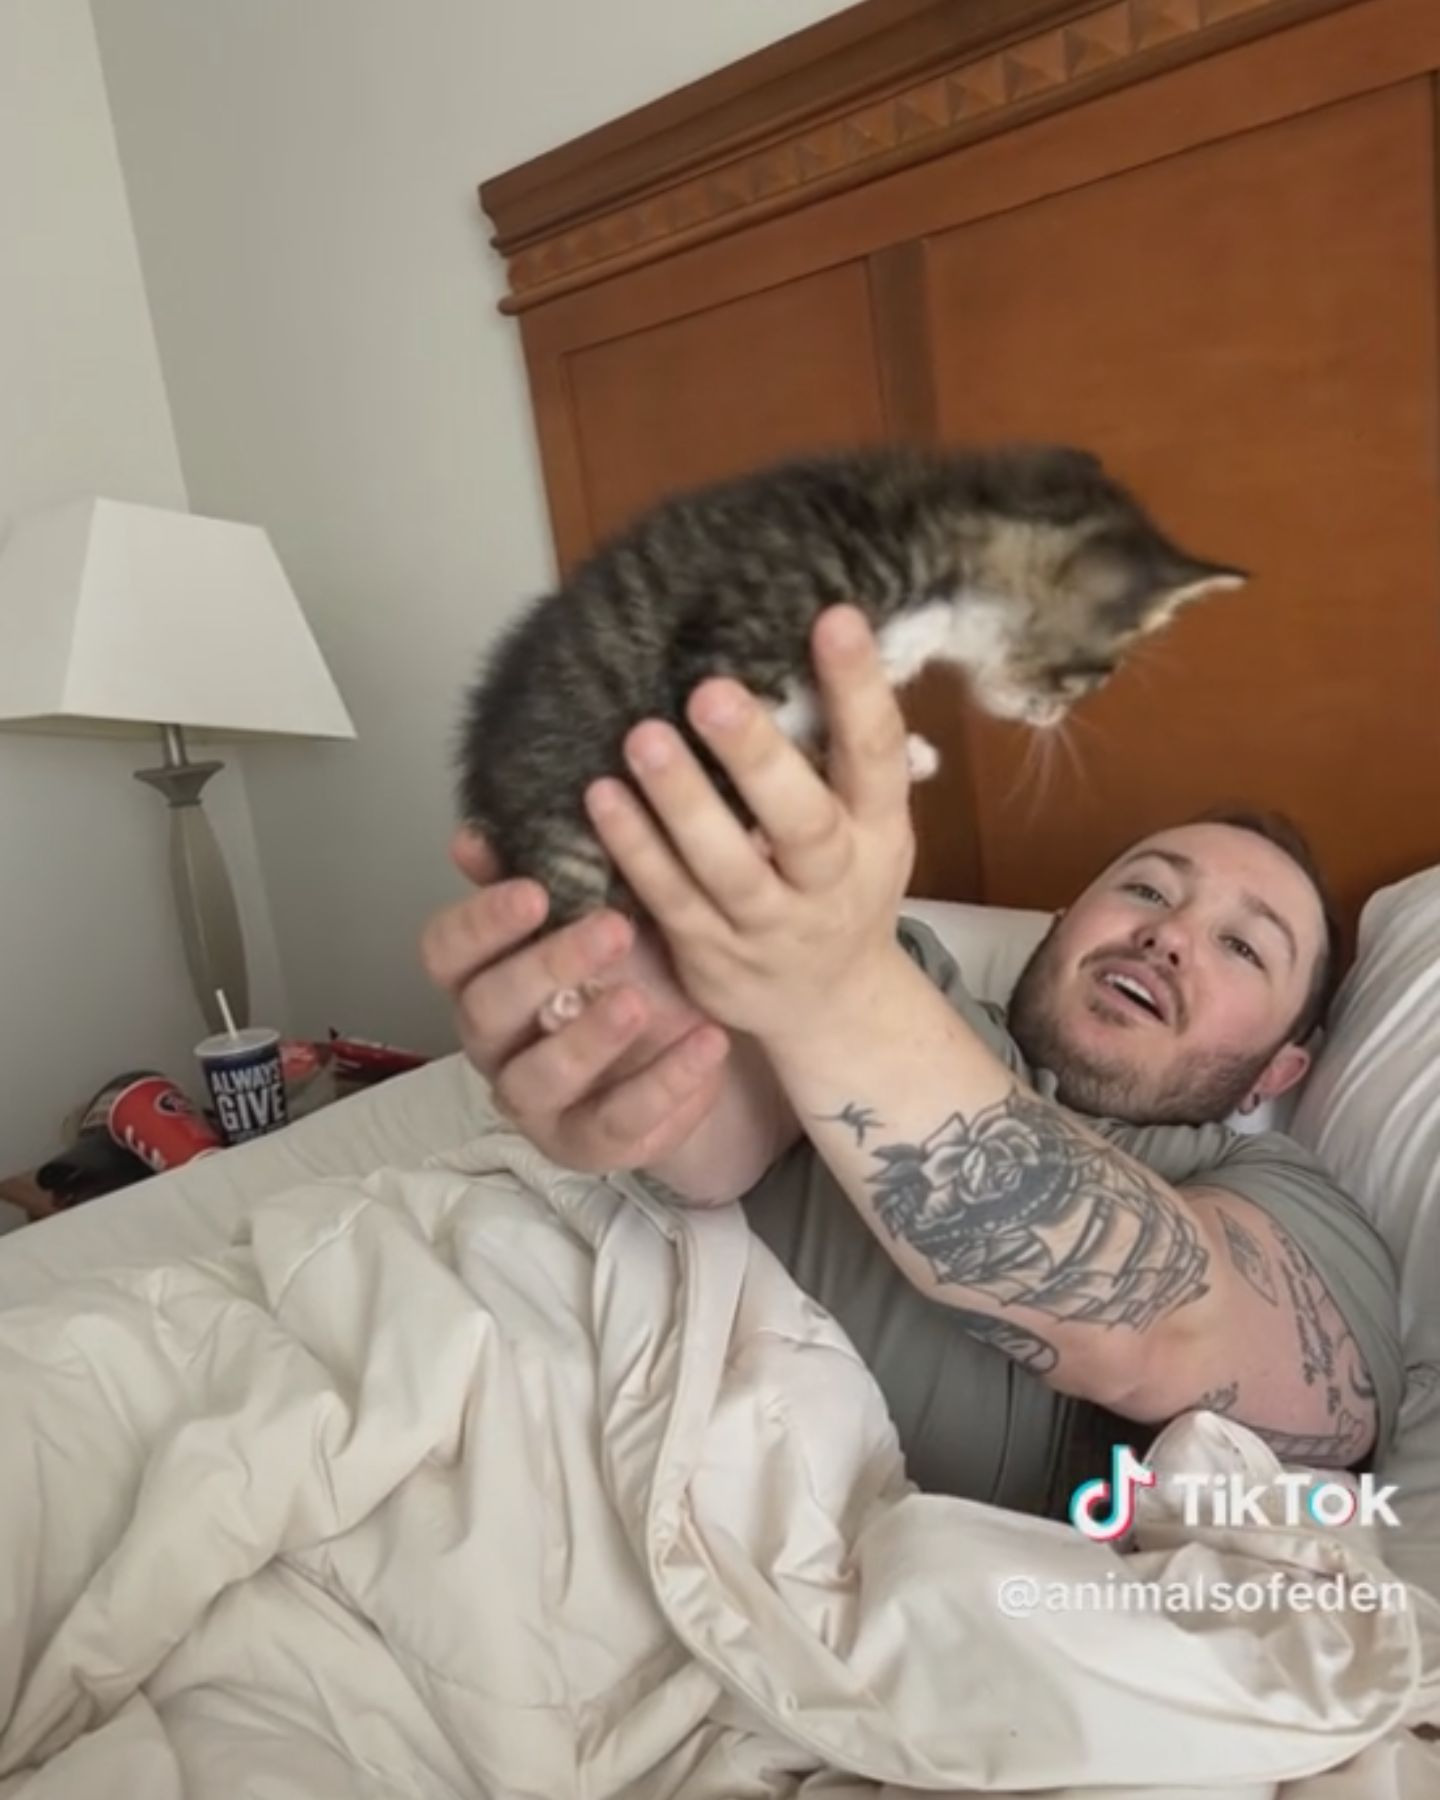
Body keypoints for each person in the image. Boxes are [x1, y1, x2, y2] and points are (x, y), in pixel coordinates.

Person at [422, 605, 1402, 1519]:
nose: (1172, 936)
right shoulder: (907, 977)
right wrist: (618, 1013)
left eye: (1244, 946)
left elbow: (1166, 1330)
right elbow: (713, 1128)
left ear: (1281, 1071)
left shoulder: (1296, 1208)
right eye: (1146, 890)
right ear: (1062, 928)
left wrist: (833, 984)